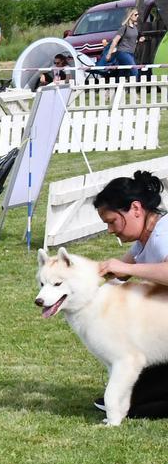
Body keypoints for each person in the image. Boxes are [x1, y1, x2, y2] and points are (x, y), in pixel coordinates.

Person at [93, 171, 168, 418]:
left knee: (135, 403)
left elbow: (125, 269)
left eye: (112, 221)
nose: (109, 230)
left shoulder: (163, 233)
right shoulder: (143, 242)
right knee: (131, 398)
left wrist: (126, 268)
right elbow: (112, 275)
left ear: (136, 209)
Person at [103, 8, 141, 80]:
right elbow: (115, 41)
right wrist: (109, 53)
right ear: (130, 16)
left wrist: (139, 40)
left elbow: (132, 40)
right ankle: (134, 88)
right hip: (123, 52)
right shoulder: (124, 28)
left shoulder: (135, 28)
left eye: (138, 14)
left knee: (123, 72)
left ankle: (116, 87)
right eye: (136, 14)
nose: (137, 16)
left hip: (131, 53)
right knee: (134, 70)